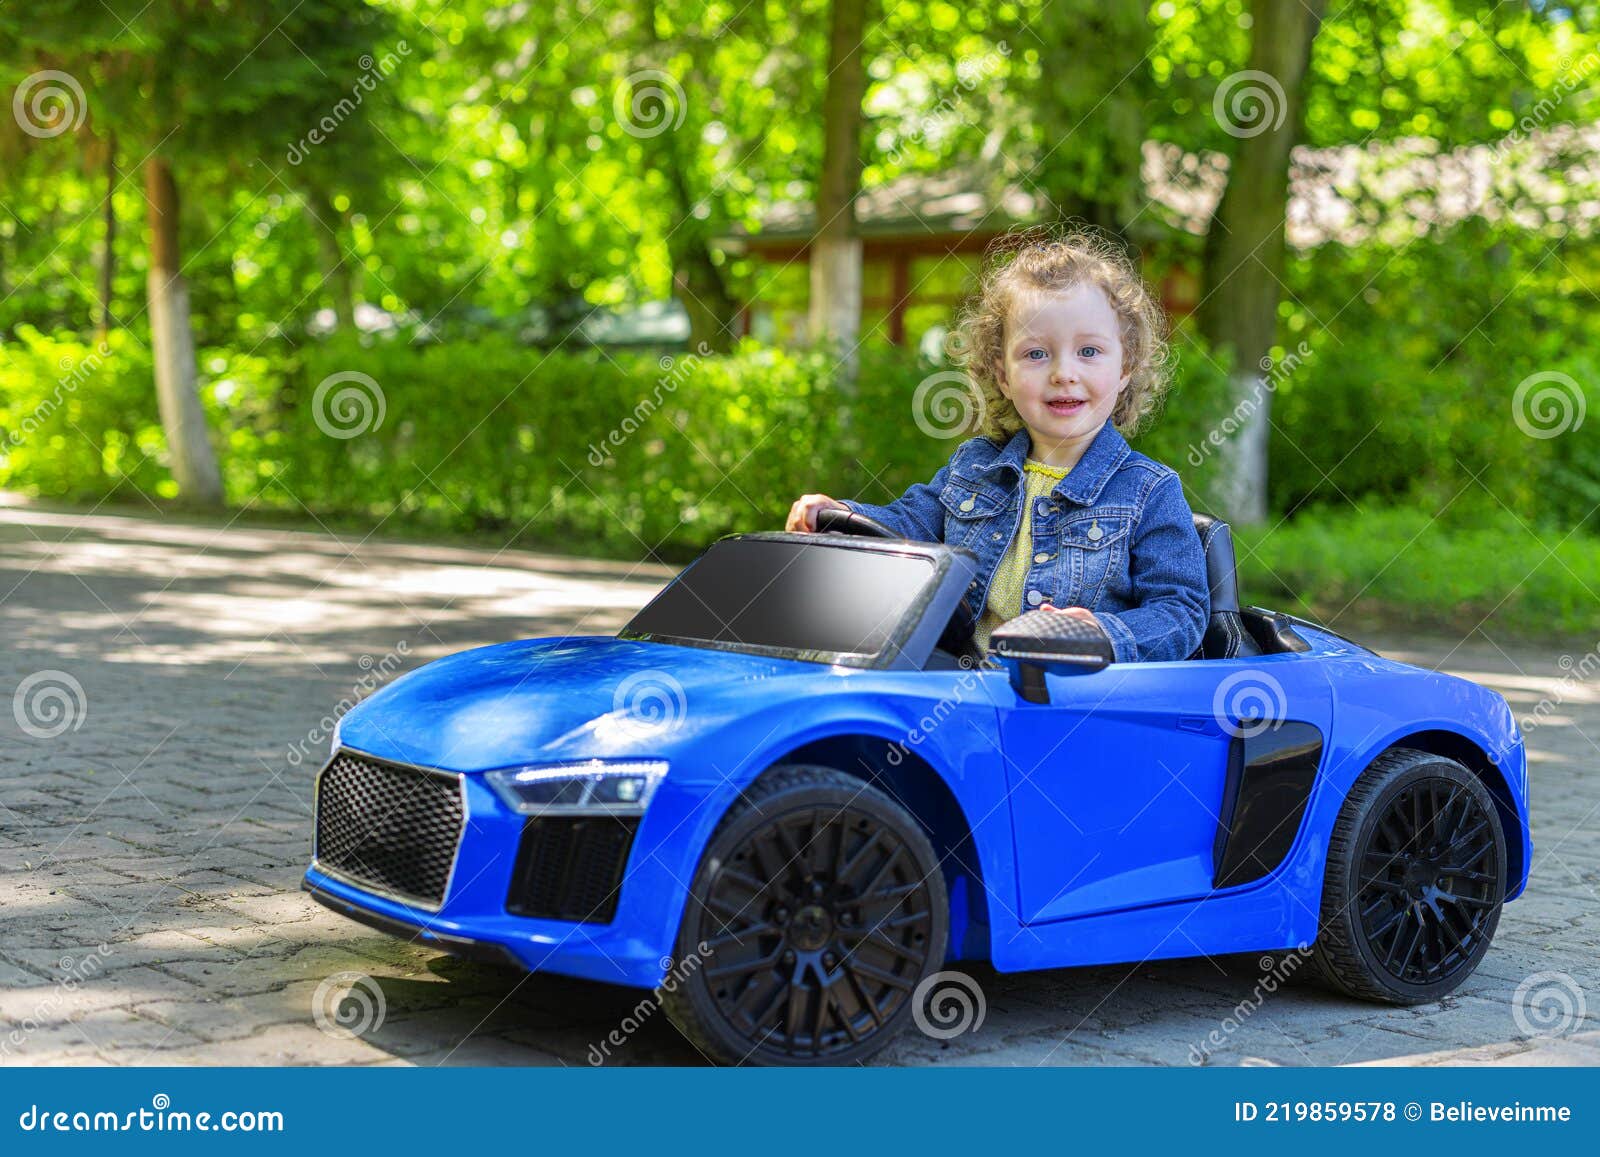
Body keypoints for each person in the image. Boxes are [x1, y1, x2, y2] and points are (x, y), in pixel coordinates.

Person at [786, 227, 1209, 662]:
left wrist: (1101, 633)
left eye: (1088, 352)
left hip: (1071, 692)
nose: (1063, 373)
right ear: (1003, 376)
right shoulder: (974, 468)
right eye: (1036, 354)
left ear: (1125, 368)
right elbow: (906, 524)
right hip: (960, 682)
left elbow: (1181, 611)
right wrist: (840, 514)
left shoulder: (1148, 492)